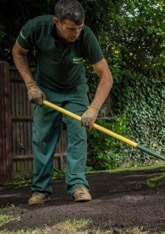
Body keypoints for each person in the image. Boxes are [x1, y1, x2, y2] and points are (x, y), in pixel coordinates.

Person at [12, 0, 113, 205]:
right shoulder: (36, 28)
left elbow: (106, 76)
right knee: (43, 139)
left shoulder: (85, 36)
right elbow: (18, 52)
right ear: (57, 22)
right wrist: (31, 85)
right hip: (46, 90)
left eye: (79, 28)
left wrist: (93, 109)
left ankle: (78, 185)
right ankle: (40, 190)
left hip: (75, 90)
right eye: (70, 29)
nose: (75, 33)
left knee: (78, 133)